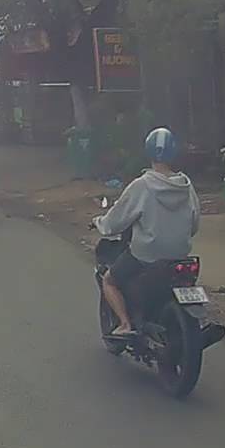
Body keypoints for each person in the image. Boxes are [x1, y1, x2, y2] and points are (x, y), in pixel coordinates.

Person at [93, 128, 201, 337]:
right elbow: (194, 224)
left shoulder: (142, 186)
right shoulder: (186, 186)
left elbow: (114, 222)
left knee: (109, 280)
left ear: (148, 152)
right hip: (179, 256)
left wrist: (99, 222)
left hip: (146, 256)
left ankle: (125, 324)